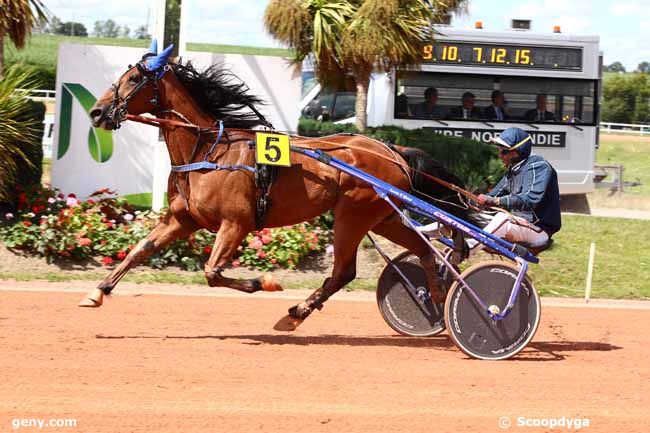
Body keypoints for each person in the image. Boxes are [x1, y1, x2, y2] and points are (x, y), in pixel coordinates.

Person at [474, 127, 561, 247]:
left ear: (518, 151)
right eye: (498, 150)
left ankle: (467, 250)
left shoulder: (538, 166)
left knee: (502, 219)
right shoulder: (513, 169)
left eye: (504, 151)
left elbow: (530, 199)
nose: (500, 155)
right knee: (471, 216)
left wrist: (496, 201)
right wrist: (474, 202)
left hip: (539, 230)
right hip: (518, 223)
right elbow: (494, 194)